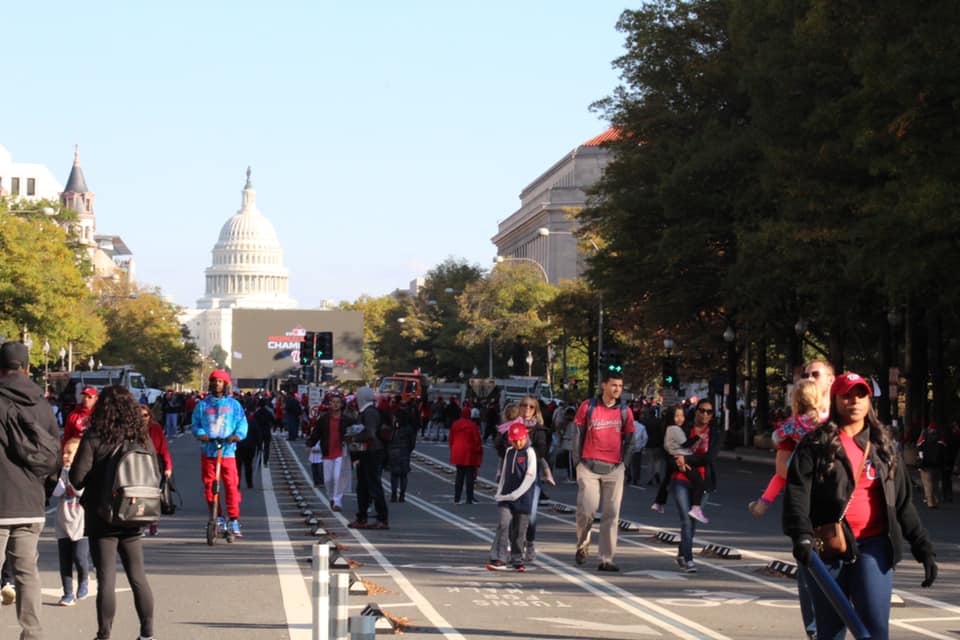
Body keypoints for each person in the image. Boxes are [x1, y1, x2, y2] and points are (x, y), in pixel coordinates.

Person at [784, 372, 938, 640]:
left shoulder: (884, 446)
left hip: (874, 548)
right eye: (847, 395)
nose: (854, 401)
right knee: (830, 631)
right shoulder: (816, 444)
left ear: (869, 401)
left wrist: (923, 548)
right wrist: (802, 537)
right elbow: (797, 495)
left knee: (875, 631)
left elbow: (902, 504)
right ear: (835, 400)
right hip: (828, 546)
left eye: (860, 394)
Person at [70, 385, 157, 640]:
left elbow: (77, 478)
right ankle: (147, 633)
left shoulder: (95, 436)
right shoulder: (141, 437)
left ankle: (104, 634)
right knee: (137, 575)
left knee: (106, 577)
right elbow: (155, 471)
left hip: (101, 514)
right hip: (134, 511)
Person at [0, 341, 61, 639]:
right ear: (25, 367)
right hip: (31, 502)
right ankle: (32, 633)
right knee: (27, 574)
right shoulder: (41, 403)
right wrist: (44, 490)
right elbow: (54, 455)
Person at [572, 369, 636, 572]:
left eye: (620, 386)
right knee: (587, 509)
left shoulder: (625, 411)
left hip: (614, 468)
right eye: (614, 385)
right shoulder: (588, 407)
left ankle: (606, 558)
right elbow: (576, 434)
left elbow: (630, 439)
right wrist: (577, 462)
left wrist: (624, 463)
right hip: (589, 465)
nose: (617, 389)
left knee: (611, 514)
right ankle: (583, 544)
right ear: (604, 385)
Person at [749, 378, 822, 516]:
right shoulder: (822, 419)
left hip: (801, 457)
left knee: (780, 476)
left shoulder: (794, 422)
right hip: (820, 458)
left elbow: (777, 436)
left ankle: (763, 503)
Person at [191, 369, 248, 539]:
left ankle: (233, 518)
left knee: (231, 485)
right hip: (209, 451)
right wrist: (201, 433)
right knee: (209, 487)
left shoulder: (233, 405)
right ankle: (219, 517)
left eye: (220, 381)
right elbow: (196, 423)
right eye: (215, 381)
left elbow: (242, 423)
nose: (217, 384)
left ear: (225, 384)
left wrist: (237, 436)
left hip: (228, 451)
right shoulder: (202, 405)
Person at [669, 398, 717, 573]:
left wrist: (686, 459)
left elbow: (709, 458)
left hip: (703, 482)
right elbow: (672, 452)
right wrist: (679, 461)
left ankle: (682, 553)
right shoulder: (684, 429)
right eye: (702, 410)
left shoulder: (714, 433)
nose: (705, 414)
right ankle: (689, 559)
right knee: (686, 521)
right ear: (696, 411)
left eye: (709, 412)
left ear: (712, 416)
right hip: (681, 479)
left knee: (693, 521)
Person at [487, 422, 537, 572]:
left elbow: (530, 477)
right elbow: (504, 475)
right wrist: (500, 492)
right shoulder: (509, 452)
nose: (517, 443)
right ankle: (499, 557)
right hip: (506, 497)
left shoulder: (530, 453)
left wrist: (516, 494)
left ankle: (516, 558)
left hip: (523, 498)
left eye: (519, 440)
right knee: (503, 525)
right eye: (513, 441)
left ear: (525, 437)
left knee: (519, 531)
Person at [650, 404, 709, 523]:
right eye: (677, 416)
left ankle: (658, 502)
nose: (680, 418)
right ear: (671, 417)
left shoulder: (669, 428)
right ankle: (696, 508)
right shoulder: (675, 429)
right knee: (699, 481)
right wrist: (698, 437)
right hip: (680, 458)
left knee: (666, 480)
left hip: (673, 457)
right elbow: (686, 444)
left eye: (682, 415)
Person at [345, 386, 389, 529]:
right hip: (368, 451)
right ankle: (363, 517)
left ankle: (381, 518)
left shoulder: (369, 413)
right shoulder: (368, 411)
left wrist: (353, 437)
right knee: (363, 486)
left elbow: (370, 433)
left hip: (371, 451)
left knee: (372, 485)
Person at [52, 437, 89, 606]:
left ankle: (84, 580)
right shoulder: (61, 471)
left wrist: (72, 474)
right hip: (63, 521)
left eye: (69, 453)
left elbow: (79, 491)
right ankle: (67, 593)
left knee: (79, 557)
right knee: (64, 559)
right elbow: (57, 492)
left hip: (80, 522)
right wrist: (61, 474)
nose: (65, 456)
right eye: (64, 452)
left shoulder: (83, 472)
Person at [306, 392, 351, 511]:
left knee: (338, 477)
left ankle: (337, 502)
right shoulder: (324, 419)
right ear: (330, 404)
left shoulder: (347, 419)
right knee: (328, 480)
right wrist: (309, 444)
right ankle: (332, 497)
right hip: (327, 452)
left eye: (338, 402)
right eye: (333, 402)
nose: (335, 405)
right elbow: (316, 433)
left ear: (341, 405)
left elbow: (355, 431)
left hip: (341, 452)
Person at [143, 406, 173, 535]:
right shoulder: (132, 429)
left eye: (145, 415)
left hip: (155, 463)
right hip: (138, 465)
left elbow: (164, 448)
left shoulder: (156, 428)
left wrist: (168, 467)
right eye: (140, 416)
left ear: (150, 416)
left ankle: (154, 523)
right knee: (140, 496)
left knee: (154, 496)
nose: (143, 418)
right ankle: (141, 524)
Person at [449, 407, 482, 504]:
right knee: (469, 477)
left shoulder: (455, 424)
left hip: (458, 452)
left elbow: (451, 439)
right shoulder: (472, 425)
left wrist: (453, 449)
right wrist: (478, 451)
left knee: (459, 476)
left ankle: (457, 497)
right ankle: (469, 498)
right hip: (469, 453)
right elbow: (477, 440)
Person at [387, 401, 417, 503]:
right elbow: (412, 443)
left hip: (394, 452)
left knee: (394, 475)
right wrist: (408, 450)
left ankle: (393, 494)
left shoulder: (394, 429)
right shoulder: (409, 429)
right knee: (403, 475)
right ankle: (402, 495)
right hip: (404, 452)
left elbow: (389, 439)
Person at [916, 421, 946, 508]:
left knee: (927, 484)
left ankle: (930, 502)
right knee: (936, 484)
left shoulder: (923, 442)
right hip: (937, 466)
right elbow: (944, 455)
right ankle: (936, 499)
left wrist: (920, 463)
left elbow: (919, 449)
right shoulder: (941, 443)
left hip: (925, 465)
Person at [250, 396, 274, 468]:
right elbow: (273, 420)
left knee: (258, 447)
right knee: (267, 447)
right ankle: (265, 461)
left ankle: (259, 461)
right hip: (266, 431)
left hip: (259, 432)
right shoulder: (268, 412)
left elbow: (253, 422)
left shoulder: (257, 413)